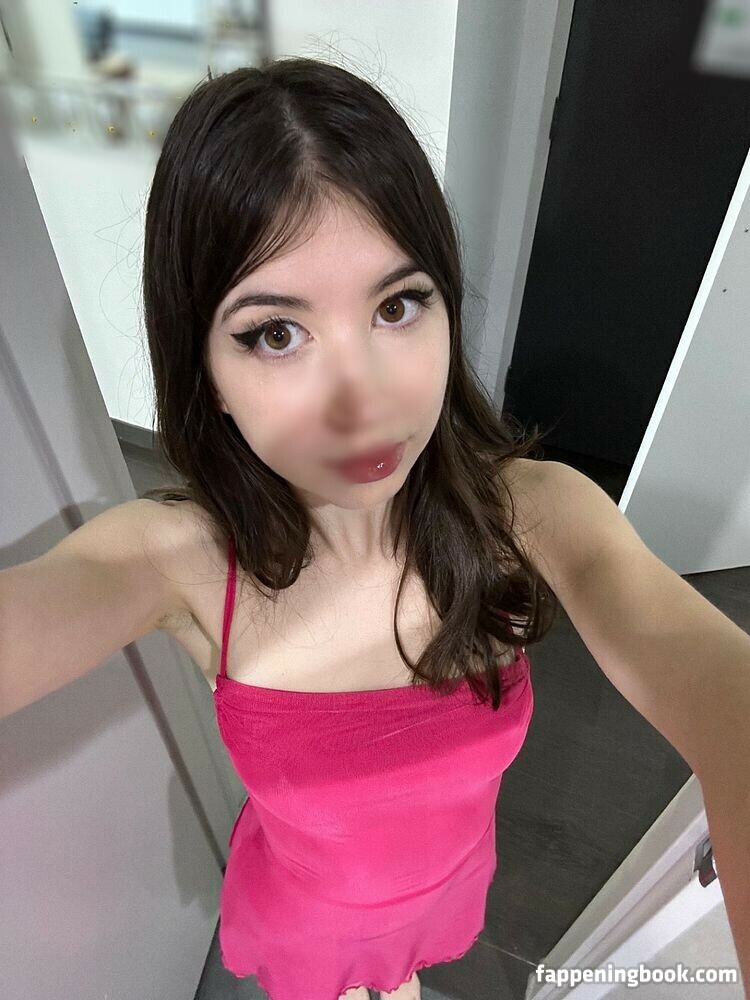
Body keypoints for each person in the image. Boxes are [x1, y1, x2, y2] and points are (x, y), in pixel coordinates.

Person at [0, 56, 564, 999]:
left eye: (396, 306)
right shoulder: (177, 565)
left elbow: (698, 665)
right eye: (275, 333)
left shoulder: (522, 515)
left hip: (448, 884)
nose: (361, 402)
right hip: (312, 919)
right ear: (207, 375)